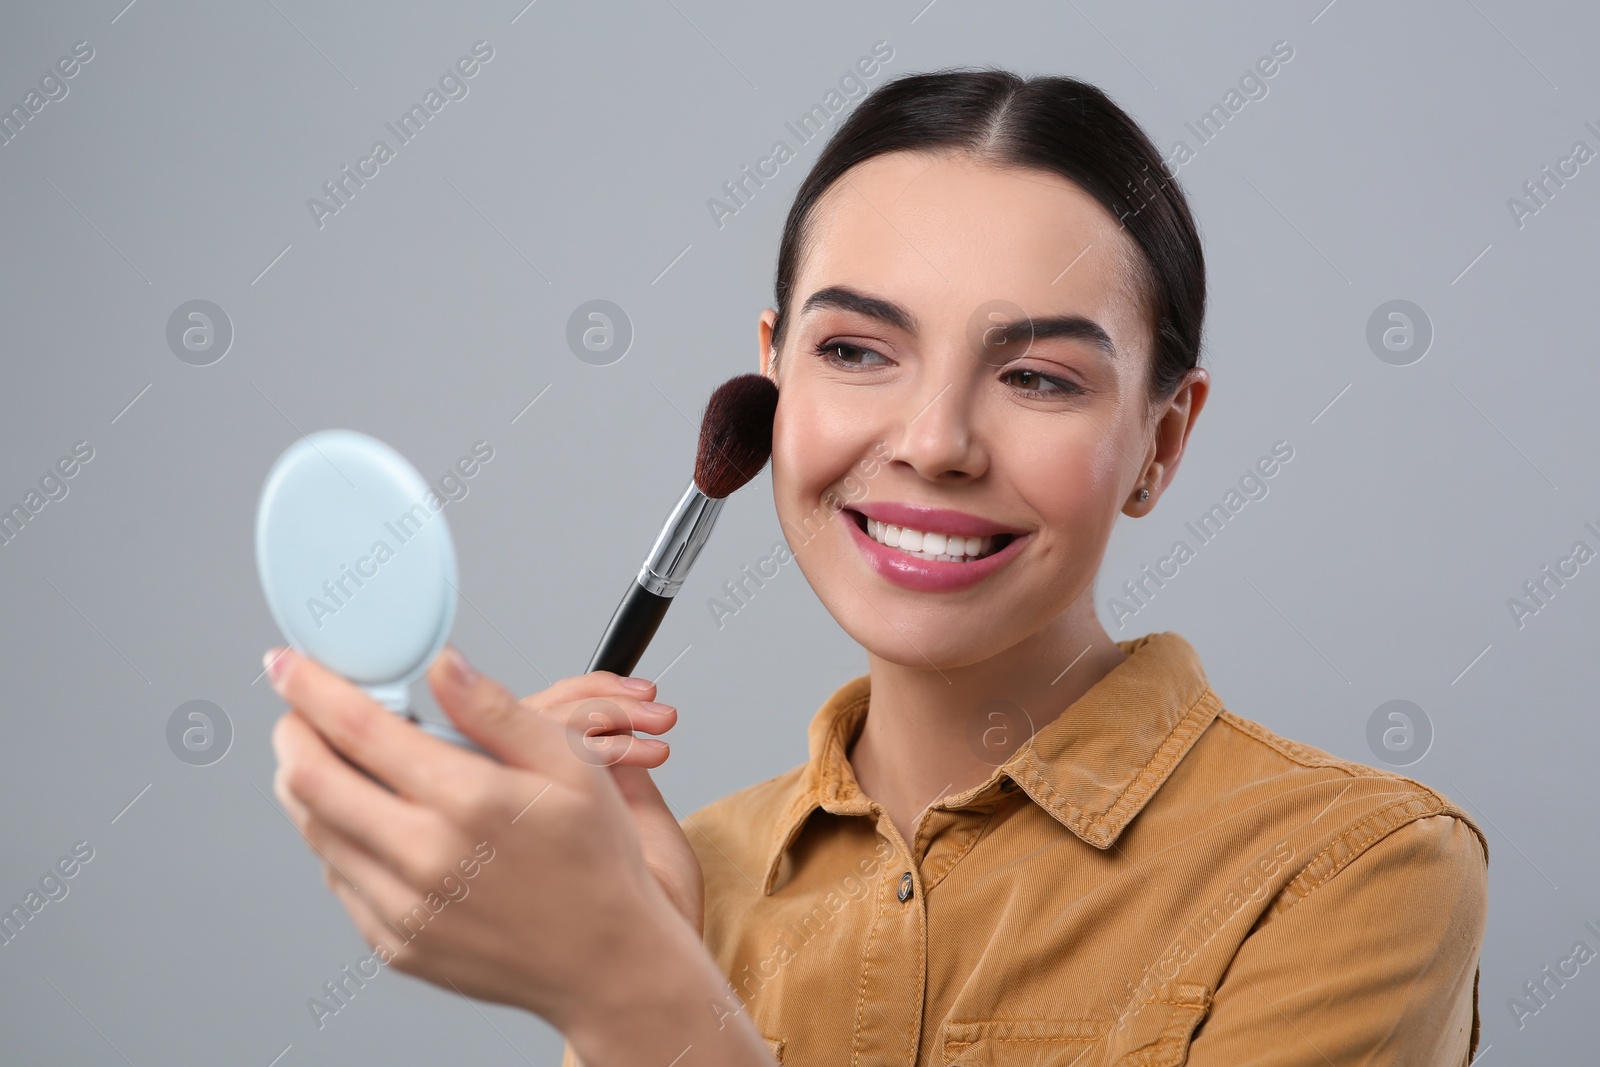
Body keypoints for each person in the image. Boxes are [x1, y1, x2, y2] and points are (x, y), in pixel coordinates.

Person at [268, 69, 1488, 1066]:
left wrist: (629, 996)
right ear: (772, 373)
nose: (934, 441)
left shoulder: (1354, 873)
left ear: (1159, 442)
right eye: (855, 349)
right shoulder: (684, 880)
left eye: (1037, 376)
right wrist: (654, 954)